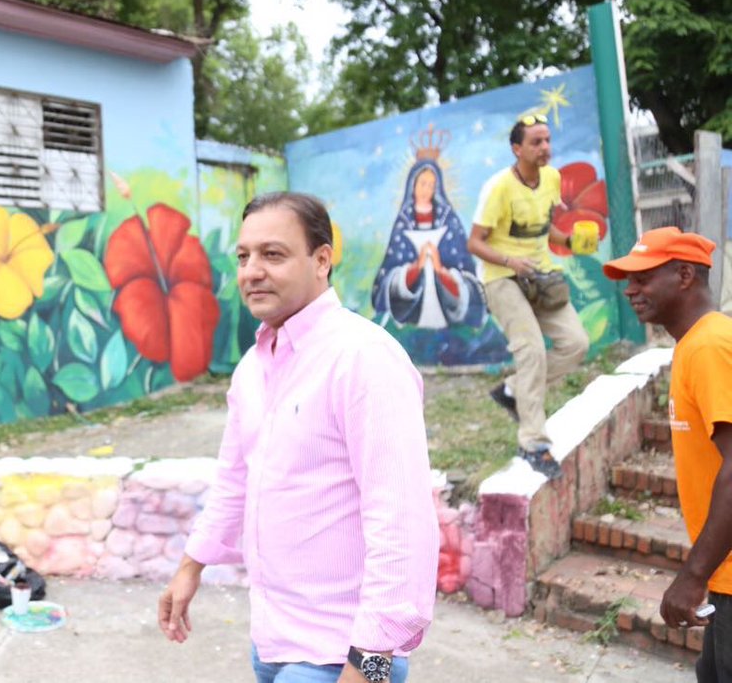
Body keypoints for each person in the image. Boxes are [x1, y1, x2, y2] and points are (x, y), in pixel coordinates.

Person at [158, 191, 439, 683]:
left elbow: (402, 523)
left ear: (322, 260)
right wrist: (190, 566)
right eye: (243, 256)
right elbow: (234, 481)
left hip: (341, 656)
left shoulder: (363, 358)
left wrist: (370, 667)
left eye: (273, 254)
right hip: (272, 643)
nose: (251, 271)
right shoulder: (253, 368)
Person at [601, 227, 731, 682]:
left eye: (642, 278)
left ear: (685, 276)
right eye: (628, 280)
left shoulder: (711, 346)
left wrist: (693, 575)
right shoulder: (693, 345)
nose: (630, 290)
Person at [466, 114, 589, 480]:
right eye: (536, 142)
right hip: (501, 277)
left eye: (547, 140)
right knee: (531, 350)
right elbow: (474, 242)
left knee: (577, 344)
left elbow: (543, 227)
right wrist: (510, 261)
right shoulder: (499, 188)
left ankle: (513, 390)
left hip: (540, 276)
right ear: (517, 149)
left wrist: (569, 241)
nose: (545, 147)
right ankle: (533, 443)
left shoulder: (551, 178)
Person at [372, 158, 485, 329]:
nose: (426, 190)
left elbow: (466, 270)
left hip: (447, 310)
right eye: (423, 184)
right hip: (412, 312)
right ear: (413, 185)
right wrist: (416, 267)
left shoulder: (448, 220)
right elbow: (388, 277)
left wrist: (440, 270)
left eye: (431, 185)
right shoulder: (404, 222)